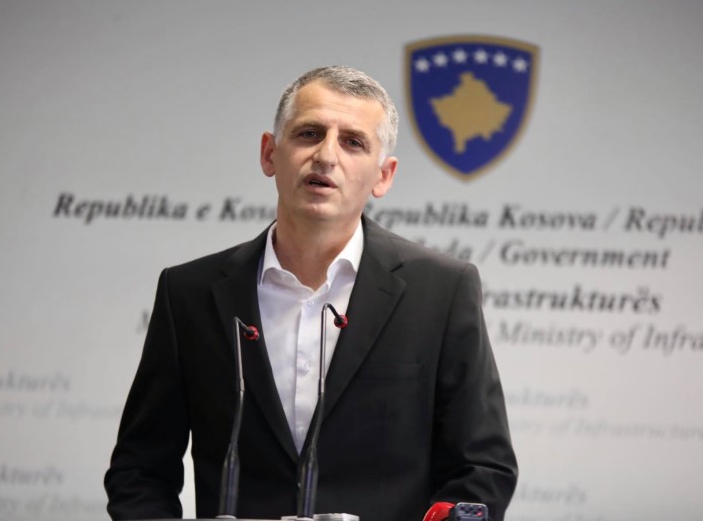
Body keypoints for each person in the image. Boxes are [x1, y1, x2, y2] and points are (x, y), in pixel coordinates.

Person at [104, 66, 517, 521]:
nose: (326, 155)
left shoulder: (441, 291)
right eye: (309, 134)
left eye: (353, 142)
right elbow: (139, 471)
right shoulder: (190, 294)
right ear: (269, 154)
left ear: (383, 176)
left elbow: (482, 469)